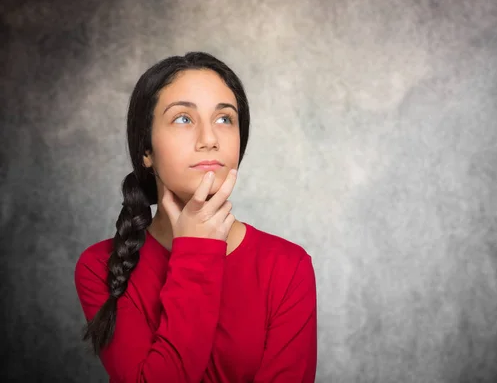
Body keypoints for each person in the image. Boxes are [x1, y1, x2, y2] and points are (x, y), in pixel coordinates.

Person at [74, 52, 317, 382]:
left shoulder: (288, 267)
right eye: (183, 119)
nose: (209, 140)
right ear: (146, 150)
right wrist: (195, 253)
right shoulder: (99, 266)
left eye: (224, 119)